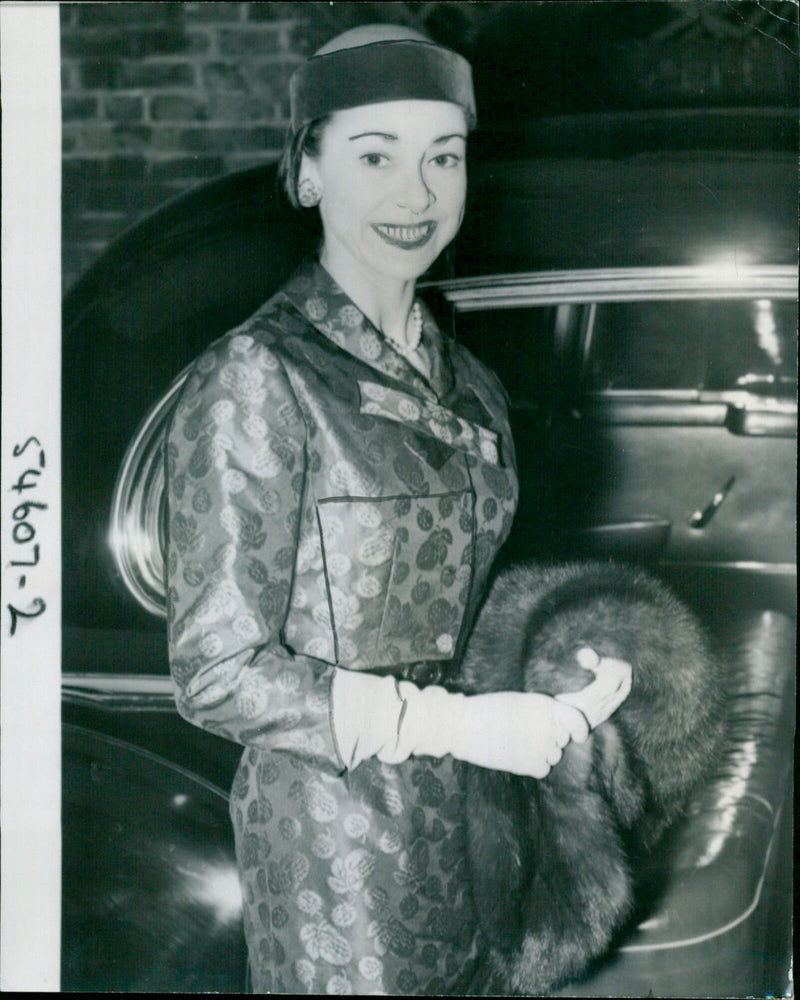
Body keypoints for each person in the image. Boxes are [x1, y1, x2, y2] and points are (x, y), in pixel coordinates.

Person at [164, 23, 631, 995]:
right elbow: (216, 672)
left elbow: (463, 603)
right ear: (306, 173)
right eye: (374, 154)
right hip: (336, 856)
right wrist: (456, 727)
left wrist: (558, 669)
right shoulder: (259, 376)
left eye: (441, 156)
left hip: (479, 826)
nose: (414, 192)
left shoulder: (469, 383)